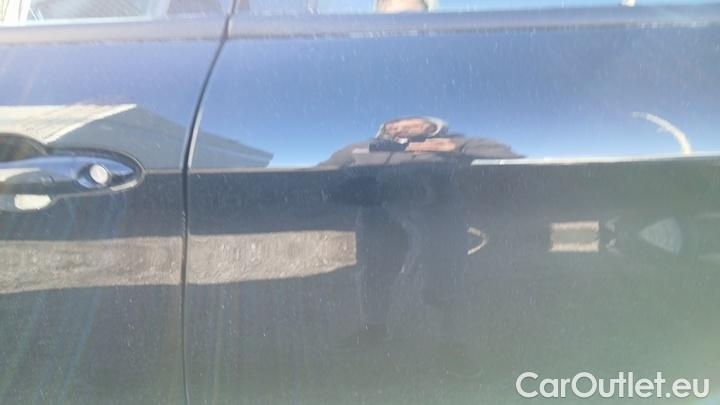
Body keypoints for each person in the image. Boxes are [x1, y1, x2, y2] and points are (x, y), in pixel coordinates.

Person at [322, 117, 520, 377]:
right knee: (372, 272)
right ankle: (374, 329)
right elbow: (324, 168)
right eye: (395, 125)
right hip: (377, 211)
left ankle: (452, 344)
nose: (403, 127)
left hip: (438, 211)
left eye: (415, 123)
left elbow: (509, 153)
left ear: (433, 126)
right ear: (384, 129)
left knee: (444, 274)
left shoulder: (456, 141)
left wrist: (455, 148)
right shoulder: (364, 146)